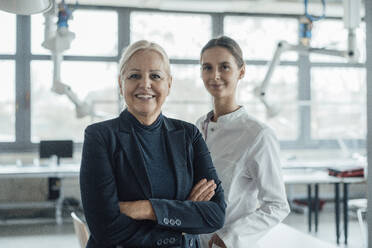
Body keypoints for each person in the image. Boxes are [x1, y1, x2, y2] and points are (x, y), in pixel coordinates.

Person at [80, 40, 226, 248]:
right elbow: (105, 229)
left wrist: (147, 209)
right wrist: (182, 224)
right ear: (121, 84)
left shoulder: (188, 134)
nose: (145, 84)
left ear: (169, 84)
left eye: (155, 76)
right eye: (134, 76)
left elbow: (216, 215)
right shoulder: (100, 137)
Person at [196, 36, 290, 248]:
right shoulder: (198, 127)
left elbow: (277, 205)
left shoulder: (258, 134)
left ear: (241, 71)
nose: (215, 75)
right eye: (207, 67)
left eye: (224, 67)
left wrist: (228, 238)